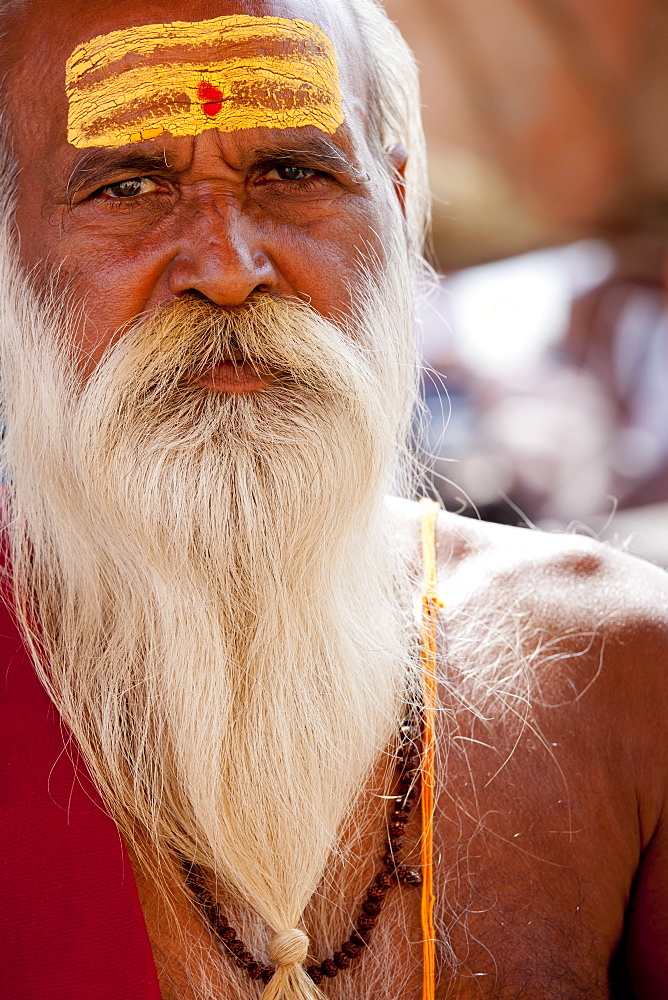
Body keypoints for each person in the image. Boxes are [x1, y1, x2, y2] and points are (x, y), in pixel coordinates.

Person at [0, 2, 666, 999]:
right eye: (127, 185)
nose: (226, 268)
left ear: (395, 208)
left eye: (291, 173)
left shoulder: (619, 675)